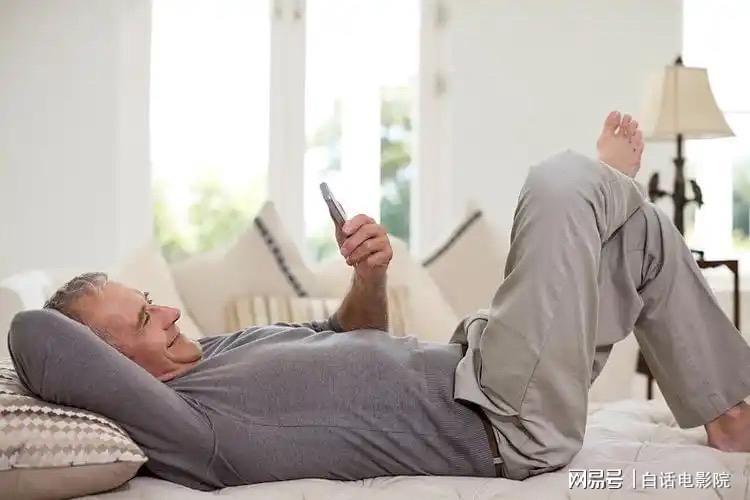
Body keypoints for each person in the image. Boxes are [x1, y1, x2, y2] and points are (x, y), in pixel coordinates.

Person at [9, 112, 750, 491]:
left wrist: (369, 276)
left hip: (484, 362)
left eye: (152, 300)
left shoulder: (221, 354)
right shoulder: (184, 426)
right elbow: (33, 332)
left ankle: (729, 416)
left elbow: (345, 334)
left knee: (640, 233)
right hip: (502, 418)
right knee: (561, 180)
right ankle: (602, 186)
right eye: (145, 319)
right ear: (114, 371)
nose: (170, 312)